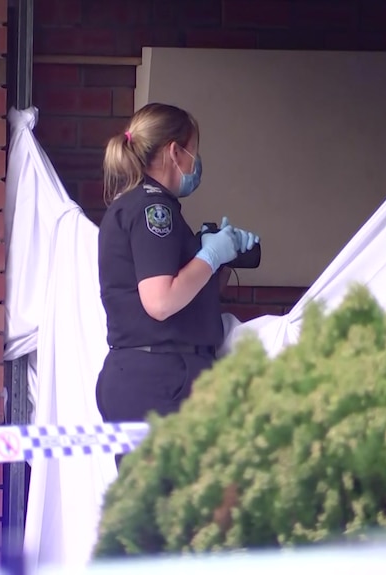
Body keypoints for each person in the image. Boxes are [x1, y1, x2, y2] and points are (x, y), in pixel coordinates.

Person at [95, 103, 259, 467]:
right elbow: (160, 301)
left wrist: (212, 256)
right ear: (174, 151)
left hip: (149, 379)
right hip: (161, 382)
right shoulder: (155, 210)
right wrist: (209, 256)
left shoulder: (134, 206)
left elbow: (181, 298)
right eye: (193, 152)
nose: (195, 164)